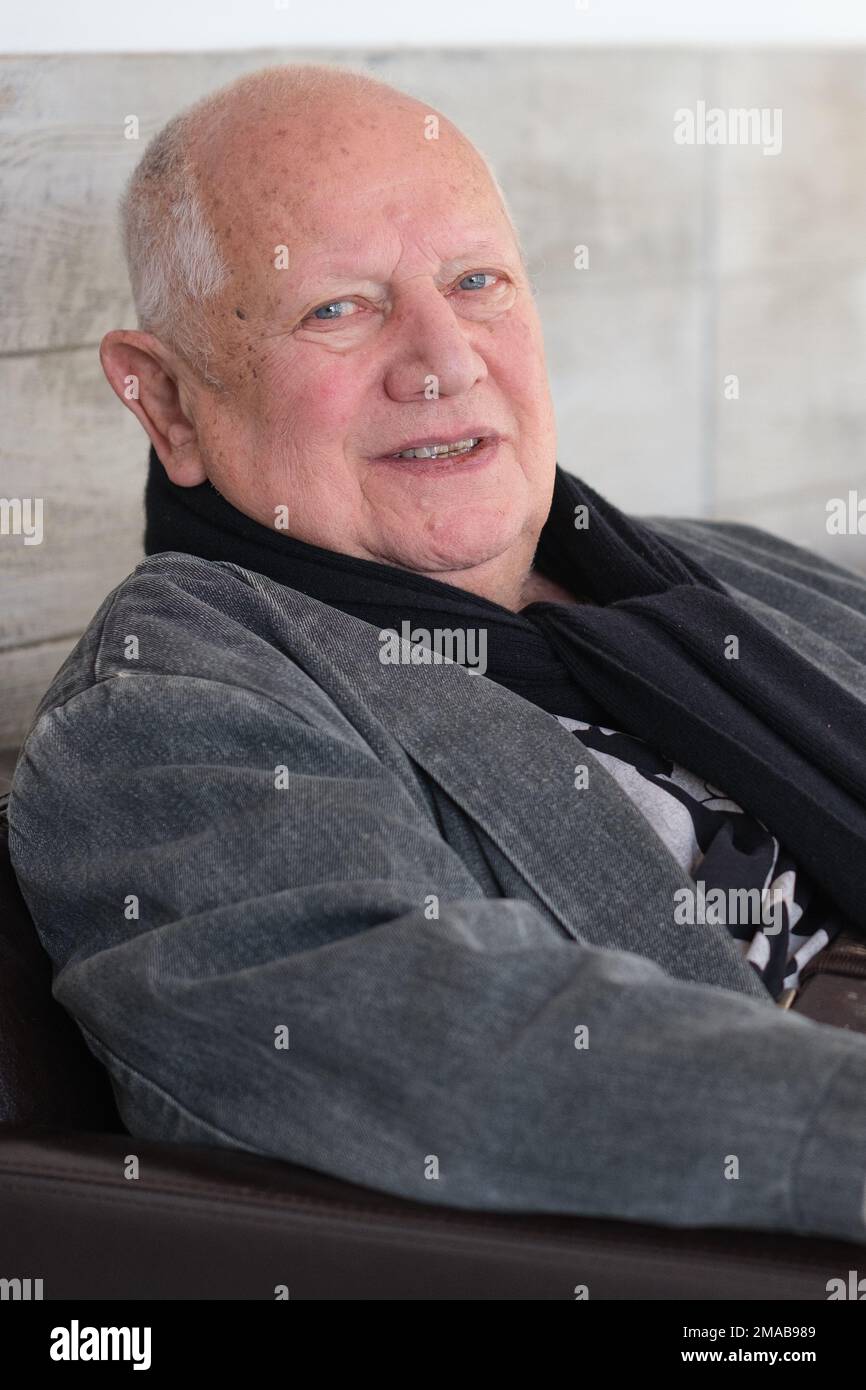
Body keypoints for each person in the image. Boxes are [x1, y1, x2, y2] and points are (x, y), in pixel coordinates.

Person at [9, 64, 866, 1243]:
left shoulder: (722, 575)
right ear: (166, 404)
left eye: (475, 283)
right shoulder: (167, 704)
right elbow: (440, 1055)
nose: (442, 358)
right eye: (338, 309)